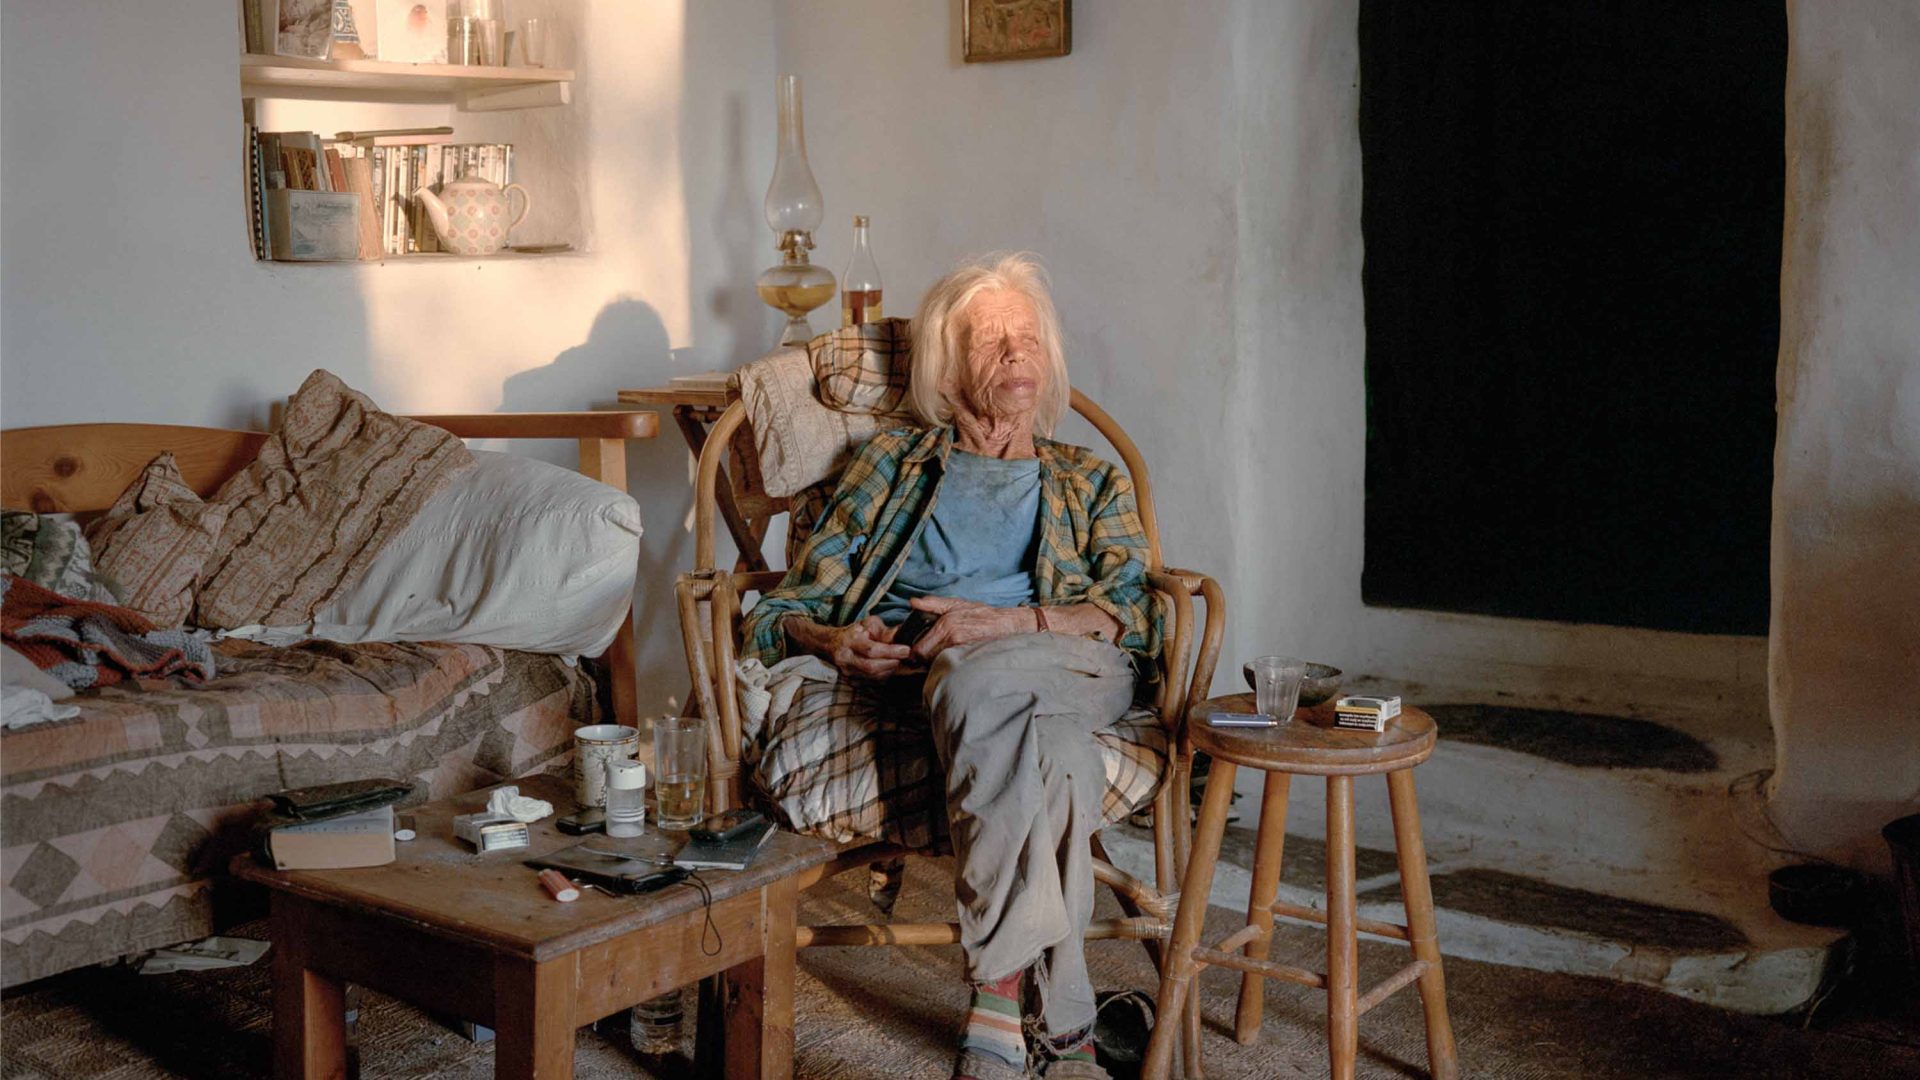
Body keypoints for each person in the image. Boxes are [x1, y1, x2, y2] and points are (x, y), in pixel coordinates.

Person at [741, 252, 1164, 1080]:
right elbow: (782, 610)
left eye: (1028, 336)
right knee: (1038, 743)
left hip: (1073, 662)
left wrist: (1007, 624)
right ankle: (1060, 1014)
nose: (1016, 354)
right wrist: (834, 641)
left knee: (975, 673)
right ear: (944, 364)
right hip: (935, 686)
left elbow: (1136, 614)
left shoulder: (1089, 478)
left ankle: (1001, 1002)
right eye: (991, 339)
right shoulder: (890, 468)